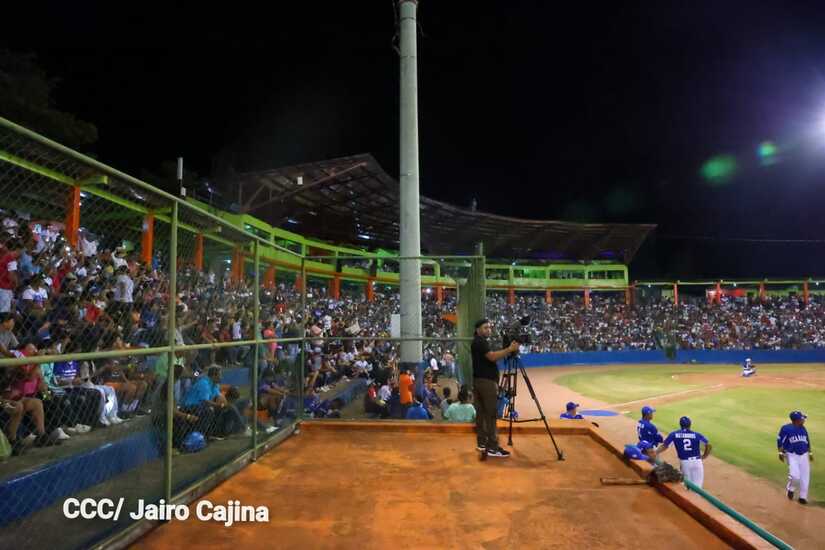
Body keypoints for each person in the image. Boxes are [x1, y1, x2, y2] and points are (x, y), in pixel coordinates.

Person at [471, 318, 519, 458]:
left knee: (481, 414)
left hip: (479, 381)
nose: (488, 330)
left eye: (489, 327)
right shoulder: (480, 342)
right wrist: (509, 349)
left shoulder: (477, 342)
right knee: (491, 414)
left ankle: (482, 443)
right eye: (485, 327)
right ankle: (492, 447)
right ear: (478, 329)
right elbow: (492, 357)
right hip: (486, 383)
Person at [656, 416, 712, 488]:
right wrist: (704, 456)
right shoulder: (696, 435)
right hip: (697, 462)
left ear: (680, 424)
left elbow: (664, 446)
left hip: (685, 463)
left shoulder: (674, 434)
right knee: (698, 487)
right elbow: (708, 445)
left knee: (686, 486)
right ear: (690, 424)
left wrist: (655, 452)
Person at [778, 410, 813, 505]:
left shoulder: (803, 428)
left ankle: (802, 497)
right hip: (792, 455)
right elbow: (780, 441)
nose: (804, 420)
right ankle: (791, 488)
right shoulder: (786, 428)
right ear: (796, 420)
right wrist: (780, 452)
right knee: (795, 476)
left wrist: (810, 453)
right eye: (802, 419)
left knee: (805, 476)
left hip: (804, 455)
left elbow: (807, 441)